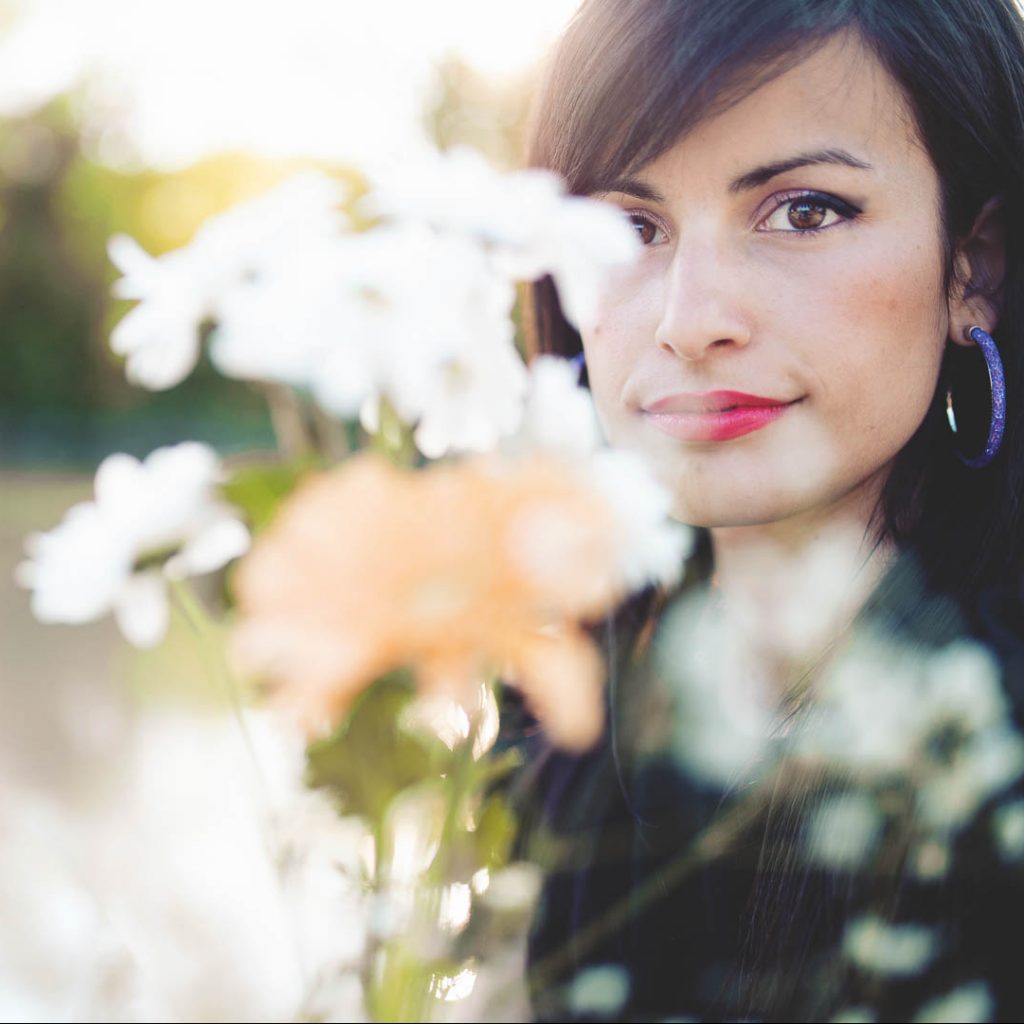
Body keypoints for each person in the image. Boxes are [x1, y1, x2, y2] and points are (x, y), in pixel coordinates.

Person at [502, 0, 1024, 1020]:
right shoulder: (548, 693)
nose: (691, 320)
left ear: (974, 264)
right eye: (628, 227)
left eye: (804, 211)